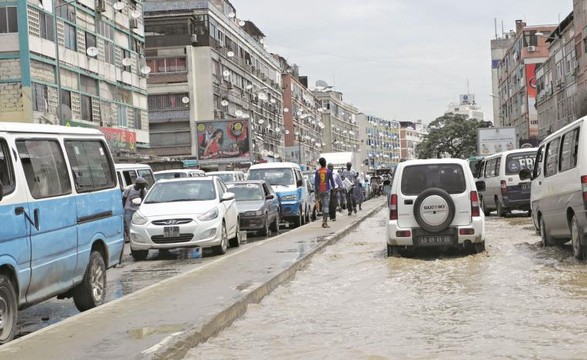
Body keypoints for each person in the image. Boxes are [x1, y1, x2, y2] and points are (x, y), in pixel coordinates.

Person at [314, 157, 335, 228]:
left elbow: (316, 183)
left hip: (320, 191)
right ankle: (324, 222)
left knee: (323, 205)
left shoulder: (317, 172)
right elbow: (332, 181)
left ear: (320, 164)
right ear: (325, 163)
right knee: (326, 206)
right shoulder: (328, 171)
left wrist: (316, 192)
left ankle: (324, 221)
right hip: (326, 190)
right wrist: (334, 189)